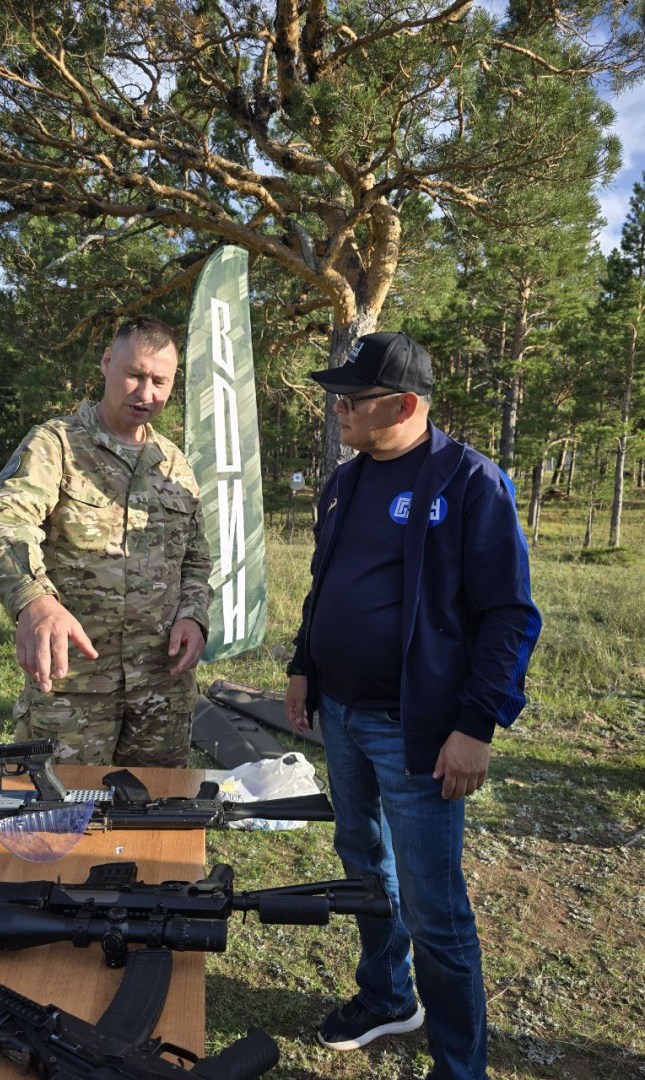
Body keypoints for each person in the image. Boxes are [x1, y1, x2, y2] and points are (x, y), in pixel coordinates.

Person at [285, 332, 541, 1080]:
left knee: (436, 908)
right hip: (340, 715)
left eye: (352, 398)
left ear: (402, 405)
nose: (338, 409)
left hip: (416, 731)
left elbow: (509, 615)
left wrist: (475, 726)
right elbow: (324, 583)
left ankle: (460, 1068)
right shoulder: (344, 482)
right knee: (365, 865)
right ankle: (387, 995)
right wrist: (303, 665)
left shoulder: (469, 481)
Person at [0, 316, 213, 767]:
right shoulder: (57, 445)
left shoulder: (174, 464)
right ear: (107, 362)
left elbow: (196, 561)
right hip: (73, 691)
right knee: (62, 809)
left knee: (158, 807)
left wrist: (193, 615)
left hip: (161, 693)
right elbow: (1, 521)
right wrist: (33, 601)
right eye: (135, 375)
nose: (146, 393)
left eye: (160, 382)